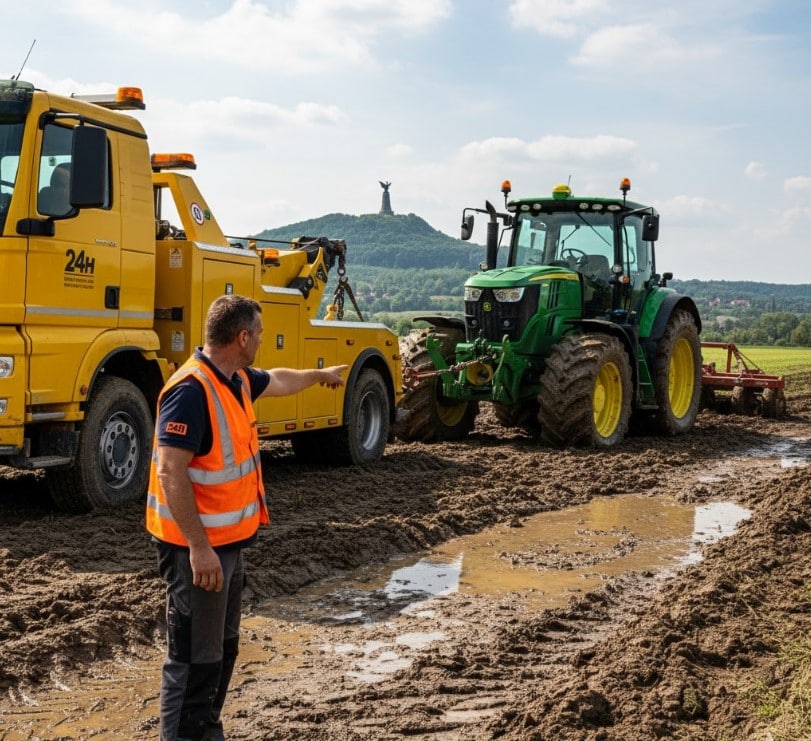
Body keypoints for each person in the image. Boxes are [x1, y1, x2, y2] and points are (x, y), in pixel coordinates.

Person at [146, 294, 347, 741]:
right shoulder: (191, 390)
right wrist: (199, 548)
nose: (260, 340)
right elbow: (169, 470)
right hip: (196, 552)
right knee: (193, 662)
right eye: (257, 333)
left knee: (220, 652)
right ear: (241, 337)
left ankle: (205, 729)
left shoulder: (234, 379)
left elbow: (277, 380)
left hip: (228, 547)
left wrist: (319, 376)